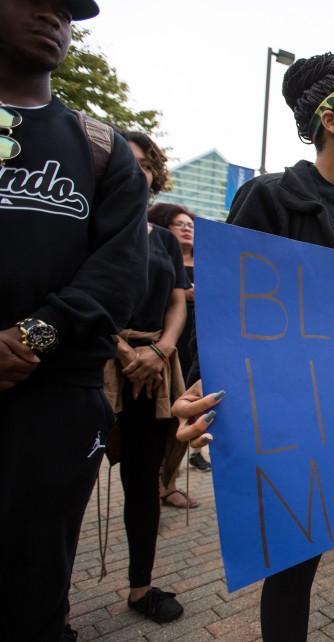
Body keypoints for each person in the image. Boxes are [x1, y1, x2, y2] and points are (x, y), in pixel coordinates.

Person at [225, 51, 334, 641]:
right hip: (298, 421)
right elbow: (231, 310)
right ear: (330, 122)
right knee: (295, 565)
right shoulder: (270, 198)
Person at [0, 1, 150, 637]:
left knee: (33, 584)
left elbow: (120, 275)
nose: (53, 16)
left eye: (66, 8)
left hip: (53, 399)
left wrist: (30, 336)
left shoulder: (103, 149)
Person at [102, 131, 190, 623]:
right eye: (126, 161)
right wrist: (120, 347)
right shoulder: (91, 223)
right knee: (68, 484)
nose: (137, 170)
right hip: (98, 363)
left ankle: (140, 588)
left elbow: (177, 300)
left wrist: (159, 349)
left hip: (156, 369)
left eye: (146, 164)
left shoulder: (164, 241)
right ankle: (49, 608)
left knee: (144, 480)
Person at [147, 203, 211, 472]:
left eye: (190, 225)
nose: (187, 230)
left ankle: (172, 476)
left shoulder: (207, 263)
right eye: (180, 225)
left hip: (195, 341)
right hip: (169, 341)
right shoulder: (158, 263)